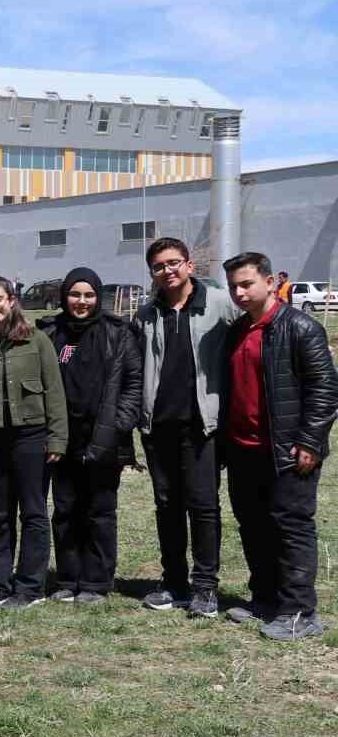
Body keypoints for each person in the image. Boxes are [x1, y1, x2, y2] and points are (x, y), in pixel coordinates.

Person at [221, 253, 338, 640]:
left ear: (271, 282)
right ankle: (266, 600)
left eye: (247, 283)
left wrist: (310, 441)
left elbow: (325, 389)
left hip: (288, 451)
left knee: (291, 529)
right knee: (254, 526)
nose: (239, 292)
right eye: (234, 285)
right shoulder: (238, 329)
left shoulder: (301, 328)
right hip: (244, 449)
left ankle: (300, 613)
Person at [131, 237, 241, 617]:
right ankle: (174, 582)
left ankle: (206, 587)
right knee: (167, 508)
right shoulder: (146, 315)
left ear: (190, 265)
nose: (168, 270)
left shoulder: (220, 305)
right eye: (159, 266)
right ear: (153, 274)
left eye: (174, 262)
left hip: (202, 428)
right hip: (158, 428)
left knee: (203, 507)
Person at [0, 277, 69, 610]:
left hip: (32, 438)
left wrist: (57, 439)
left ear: (11, 300)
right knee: (0, 515)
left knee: (33, 512)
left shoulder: (37, 341)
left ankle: (30, 587)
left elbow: (55, 392)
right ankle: (1, 583)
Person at [37, 269, 142, 605]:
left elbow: (133, 384)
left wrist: (117, 426)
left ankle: (96, 582)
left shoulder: (118, 332)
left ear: (98, 298)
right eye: (75, 295)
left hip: (103, 438)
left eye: (88, 295)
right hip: (60, 437)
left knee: (99, 511)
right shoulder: (50, 332)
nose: (81, 302)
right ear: (64, 296)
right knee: (65, 509)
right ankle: (68, 578)